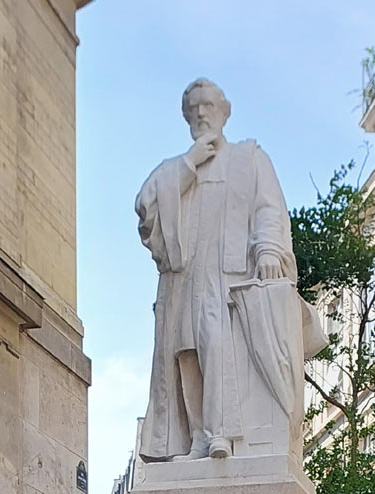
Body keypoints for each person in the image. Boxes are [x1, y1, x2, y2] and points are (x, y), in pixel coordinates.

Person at [135, 79, 324, 462]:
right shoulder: (175, 168)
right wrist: (190, 165)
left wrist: (269, 249)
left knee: (215, 341)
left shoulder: (249, 158)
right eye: (193, 108)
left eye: (207, 105)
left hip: (229, 275)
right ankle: (199, 439)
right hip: (185, 277)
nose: (201, 113)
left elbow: (269, 209)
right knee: (187, 351)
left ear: (225, 110)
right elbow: (146, 208)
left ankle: (221, 434)